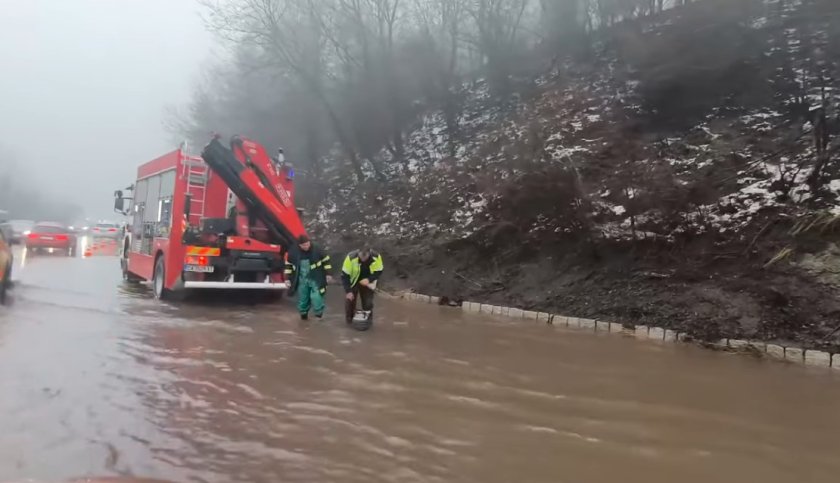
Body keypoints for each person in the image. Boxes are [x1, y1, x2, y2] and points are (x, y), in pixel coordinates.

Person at [285, 235, 333, 320]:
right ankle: (303, 315)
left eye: (307, 244)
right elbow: (288, 266)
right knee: (303, 298)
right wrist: (287, 279)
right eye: (304, 245)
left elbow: (326, 261)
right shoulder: (293, 252)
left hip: (316, 276)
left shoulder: (317, 249)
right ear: (299, 245)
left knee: (316, 296)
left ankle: (319, 314)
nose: (306, 246)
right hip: (301, 278)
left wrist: (328, 274)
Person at [341, 248, 384, 325]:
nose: (363, 259)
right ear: (358, 252)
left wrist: (369, 279)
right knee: (349, 301)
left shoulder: (376, 257)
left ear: (369, 253)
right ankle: (349, 321)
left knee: (368, 302)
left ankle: (368, 320)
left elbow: (379, 271)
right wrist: (348, 291)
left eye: (365, 257)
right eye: (361, 256)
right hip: (354, 281)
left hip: (368, 281)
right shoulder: (350, 257)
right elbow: (345, 275)